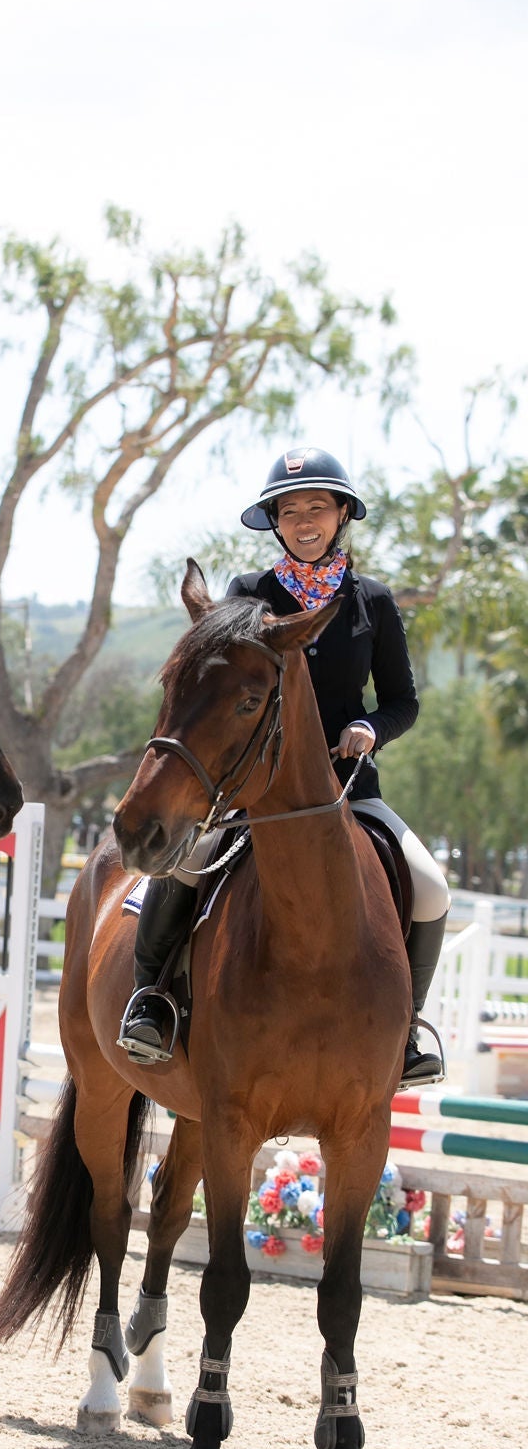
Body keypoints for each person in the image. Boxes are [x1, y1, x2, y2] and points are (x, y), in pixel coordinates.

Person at [116, 446, 449, 1087]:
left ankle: (403, 1029)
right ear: (275, 520)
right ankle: (149, 1001)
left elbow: (404, 701)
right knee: (184, 862)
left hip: (349, 787)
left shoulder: (371, 602)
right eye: (289, 510)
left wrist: (369, 729)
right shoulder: (249, 595)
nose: (303, 520)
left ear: (341, 513)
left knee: (430, 887)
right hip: (250, 790)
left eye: (317, 508)